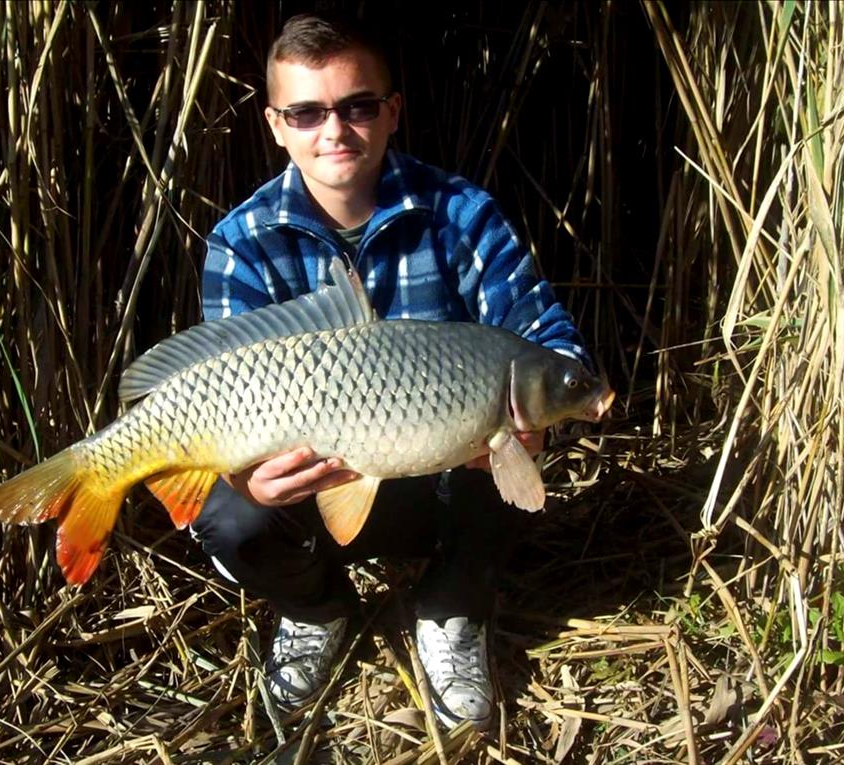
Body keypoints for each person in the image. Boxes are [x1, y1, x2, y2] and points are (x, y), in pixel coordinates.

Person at [193, 13, 593, 730]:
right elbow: (223, 395)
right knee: (228, 515)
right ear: (276, 125)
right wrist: (244, 476)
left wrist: (559, 394)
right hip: (317, 487)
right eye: (308, 112)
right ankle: (318, 609)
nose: (335, 130)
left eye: (358, 106)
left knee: (510, 450)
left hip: (444, 475)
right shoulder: (241, 241)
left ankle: (452, 603)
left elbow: (546, 336)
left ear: (392, 111)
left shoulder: (461, 212)